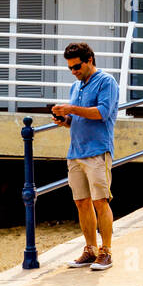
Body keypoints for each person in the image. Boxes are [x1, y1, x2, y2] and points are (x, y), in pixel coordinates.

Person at [51, 42, 119, 272]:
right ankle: (90, 249)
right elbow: (77, 120)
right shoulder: (76, 86)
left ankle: (106, 251)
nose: (73, 71)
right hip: (76, 152)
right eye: (70, 68)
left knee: (101, 201)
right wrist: (65, 120)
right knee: (81, 203)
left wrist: (70, 109)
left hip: (98, 151)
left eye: (77, 66)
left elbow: (102, 112)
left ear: (90, 60)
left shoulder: (106, 82)